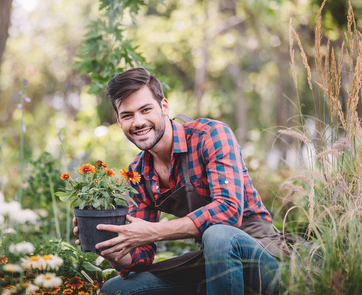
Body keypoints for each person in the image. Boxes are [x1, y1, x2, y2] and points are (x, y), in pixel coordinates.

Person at [73, 68, 282, 295]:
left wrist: (154, 231)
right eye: (127, 115)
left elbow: (228, 210)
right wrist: (116, 249)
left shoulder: (210, 135)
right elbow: (141, 255)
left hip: (261, 257)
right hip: (212, 263)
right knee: (117, 289)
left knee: (218, 235)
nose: (138, 122)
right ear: (119, 120)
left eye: (145, 110)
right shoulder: (138, 173)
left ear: (164, 107)